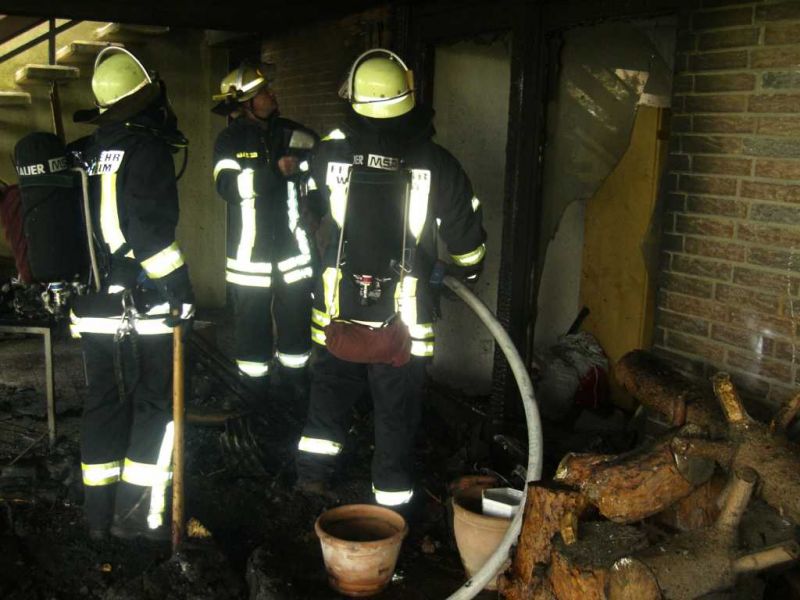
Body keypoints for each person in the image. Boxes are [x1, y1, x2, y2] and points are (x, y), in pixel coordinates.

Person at [295, 49, 487, 513]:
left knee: (328, 396)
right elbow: (467, 242)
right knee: (396, 413)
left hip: (336, 310)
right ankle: (391, 503)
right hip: (405, 320)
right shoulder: (438, 163)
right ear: (408, 95)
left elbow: (308, 214)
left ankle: (311, 479)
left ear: (355, 98)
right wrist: (465, 272)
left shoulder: (327, 154)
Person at [69, 47, 194, 541]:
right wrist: (180, 290)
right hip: (142, 303)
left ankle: (97, 517)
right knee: (154, 405)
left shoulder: (90, 148)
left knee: (104, 401)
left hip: (94, 303)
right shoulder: (147, 149)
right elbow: (148, 234)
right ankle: (138, 517)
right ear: (148, 95)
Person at [211, 61, 317, 405]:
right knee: (251, 327)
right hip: (250, 258)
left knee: (296, 321)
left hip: (293, 254)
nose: (272, 95)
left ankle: (295, 386)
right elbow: (227, 186)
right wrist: (274, 172)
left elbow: (314, 177)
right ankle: (253, 394)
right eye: (263, 92)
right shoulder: (229, 141)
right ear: (246, 103)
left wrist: (317, 209)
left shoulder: (291, 134)